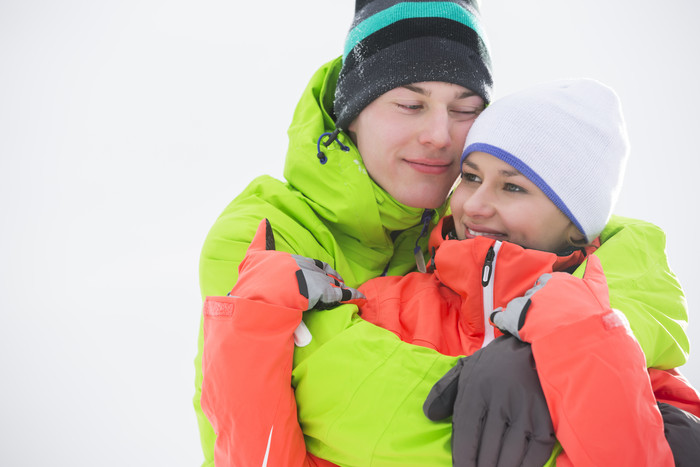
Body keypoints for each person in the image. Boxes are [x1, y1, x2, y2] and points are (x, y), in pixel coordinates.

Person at [194, 1, 690, 465]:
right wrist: (594, 403)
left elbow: (631, 256)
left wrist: (557, 343)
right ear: (352, 114)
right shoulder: (266, 236)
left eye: (464, 109)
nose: (439, 136)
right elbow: (361, 413)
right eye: (411, 105)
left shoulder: (465, 220)